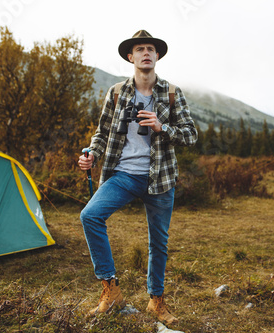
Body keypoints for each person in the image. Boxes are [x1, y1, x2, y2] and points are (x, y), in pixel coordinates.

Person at [78, 30, 197, 325]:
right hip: (123, 174)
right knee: (90, 216)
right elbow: (102, 133)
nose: (146, 52)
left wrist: (161, 126)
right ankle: (110, 289)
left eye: (151, 49)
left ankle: (156, 301)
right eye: (140, 49)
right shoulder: (117, 92)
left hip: (160, 178)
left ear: (157, 56)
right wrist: (92, 153)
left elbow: (190, 136)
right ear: (131, 57)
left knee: (159, 242)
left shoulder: (172, 93)